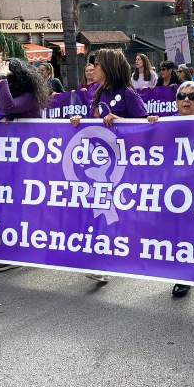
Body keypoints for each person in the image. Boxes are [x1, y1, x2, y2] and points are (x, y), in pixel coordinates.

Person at [70, 48, 148, 282]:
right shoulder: (98, 94)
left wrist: (120, 120)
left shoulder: (128, 95)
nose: (94, 68)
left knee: (112, 216)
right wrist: (79, 121)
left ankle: (111, 262)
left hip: (124, 168)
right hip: (102, 168)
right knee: (101, 214)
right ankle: (101, 262)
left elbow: (147, 127)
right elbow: (94, 125)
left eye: (98, 64)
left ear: (110, 68)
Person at [0, 58, 50, 272]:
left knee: (28, 208)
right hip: (12, 161)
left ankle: (31, 249)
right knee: (11, 207)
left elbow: (10, 106)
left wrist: (3, 80)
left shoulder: (31, 96)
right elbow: (2, 110)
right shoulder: (8, 90)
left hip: (31, 162)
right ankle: (15, 251)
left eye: (4, 74)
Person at [146, 81, 194, 297]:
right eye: (181, 96)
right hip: (175, 188)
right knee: (180, 231)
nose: (186, 100)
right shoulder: (165, 124)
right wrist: (151, 125)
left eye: (191, 96)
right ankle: (183, 275)